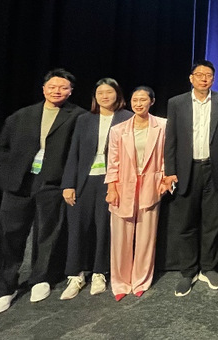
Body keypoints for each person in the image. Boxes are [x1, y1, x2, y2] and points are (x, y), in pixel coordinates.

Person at [0, 68, 86, 316]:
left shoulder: (78, 116)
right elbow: (2, 146)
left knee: (48, 231)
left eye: (63, 87)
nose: (57, 91)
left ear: (71, 91)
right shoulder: (22, 115)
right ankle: (4, 288)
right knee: (10, 234)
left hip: (52, 182)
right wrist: (6, 176)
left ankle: (42, 278)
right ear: (43, 89)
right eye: (52, 86)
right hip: (19, 183)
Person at [163, 60, 218, 296]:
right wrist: (170, 170)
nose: (204, 78)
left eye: (208, 75)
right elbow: (171, 139)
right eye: (199, 74)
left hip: (213, 169)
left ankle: (209, 268)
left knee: (212, 222)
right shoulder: (177, 103)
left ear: (213, 79)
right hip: (187, 170)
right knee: (186, 223)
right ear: (191, 77)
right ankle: (188, 271)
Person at [59, 78, 133, 299]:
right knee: (77, 228)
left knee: (104, 228)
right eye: (100, 93)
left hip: (111, 182)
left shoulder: (127, 118)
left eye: (109, 92)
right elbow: (74, 153)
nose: (104, 96)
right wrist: (68, 184)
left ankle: (100, 272)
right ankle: (76, 274)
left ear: (117, 94)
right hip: (84, 181)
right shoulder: (84, 119)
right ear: (95, 96)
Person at [105, 86, 168, 300]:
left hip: (151, 185)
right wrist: (111, 188)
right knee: (120, 238)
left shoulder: (163, 125)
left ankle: (141, 280)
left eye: (143, 100)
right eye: (135, 100)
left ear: (152, 102)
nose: (138, 104)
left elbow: (166, 156)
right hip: (123, 186)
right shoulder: (118, 130)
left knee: (146, 237)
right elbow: (113, 161)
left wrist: (165, 180)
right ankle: (121, 283)